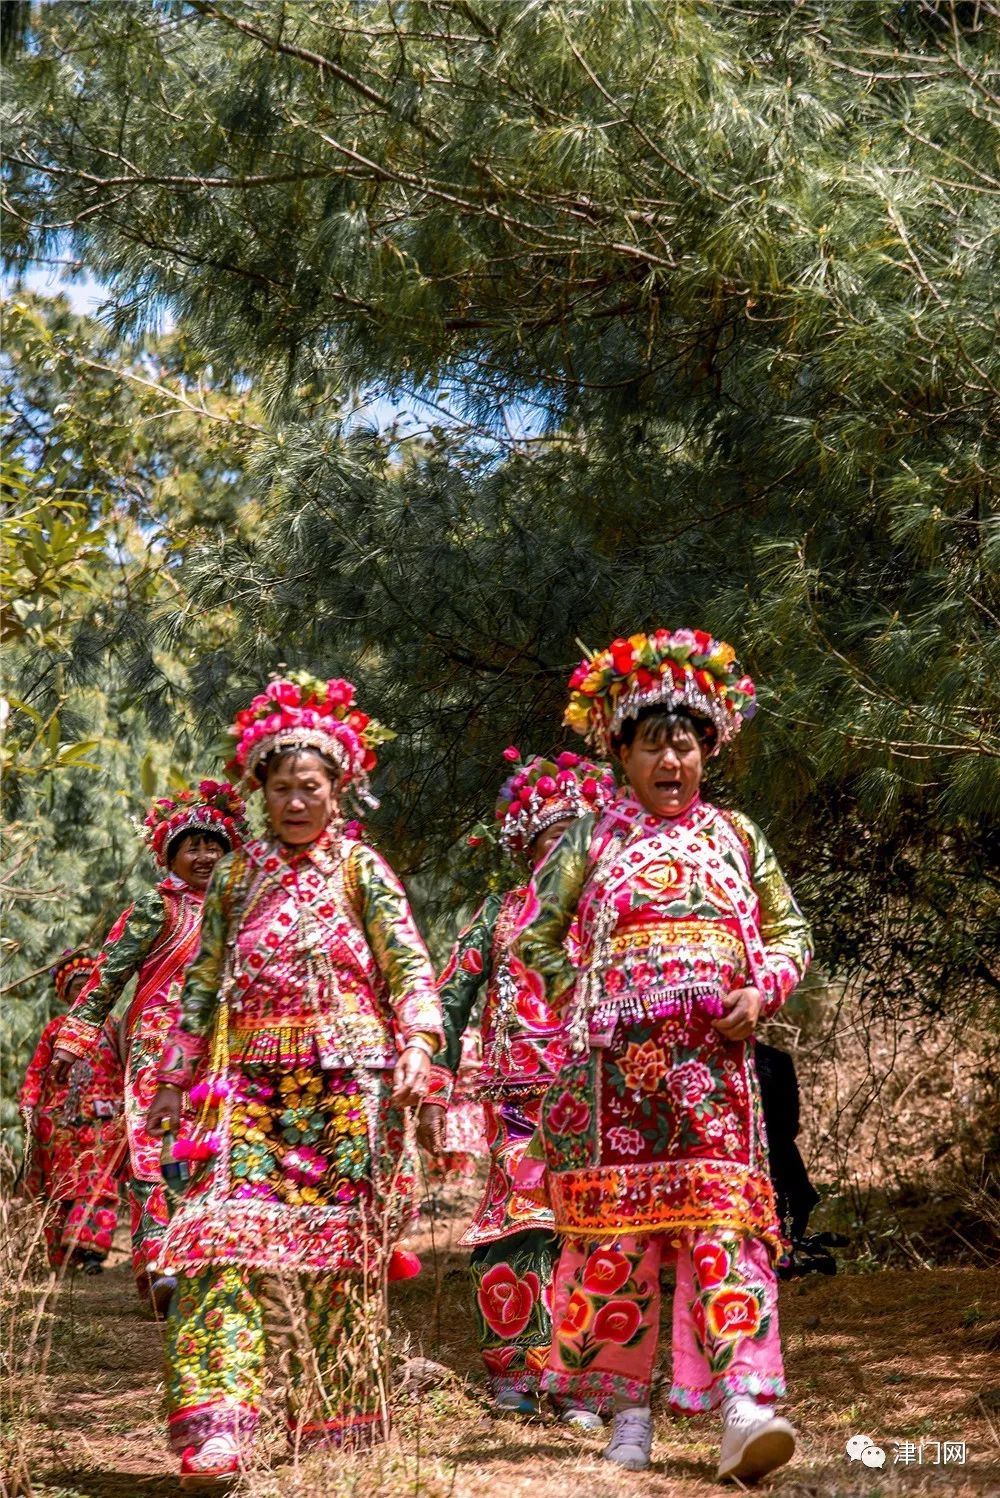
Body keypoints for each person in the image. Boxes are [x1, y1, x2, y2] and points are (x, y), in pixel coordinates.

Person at [513, 629, 813, 1481]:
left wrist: (762, 991)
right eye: (653, 743)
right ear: (621, 754)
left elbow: (790, 930)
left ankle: (742, 1406)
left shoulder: (736, 835)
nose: (671, 758)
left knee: (725, 1228)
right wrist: (582, 1002)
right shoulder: (592, 840)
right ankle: (626, 1417)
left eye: (685, 741)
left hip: (715, 1074)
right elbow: (538, 936)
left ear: (709, 748)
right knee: (618, 1240)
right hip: (616, 1081)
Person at [144, 672, 442, 1487]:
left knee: (339, 1261)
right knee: (215, 1248)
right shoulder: (237, 879)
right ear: (261, 793)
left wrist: (418, 1039)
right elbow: (202, 982)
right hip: (243, 1091)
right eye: (281, 789)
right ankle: (218, 1428)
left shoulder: (362, 871)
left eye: (310, 787)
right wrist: (174, 1075)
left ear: (337, 789)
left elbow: (409, 966)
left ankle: (338, 1423)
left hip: (346, 1090)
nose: (296, 802)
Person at [418, 750, 616, 1423]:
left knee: (599, 1230)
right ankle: (515, 1374)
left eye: (575, 837)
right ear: (526, 850)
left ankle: (584, 1383)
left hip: (601, 1094)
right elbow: (448, 996)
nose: (562, 851)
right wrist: (434, 1078)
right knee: (517, 1230)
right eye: (547, 840)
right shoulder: (499, 915)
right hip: (517, 1102)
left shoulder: (615, 914)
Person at [50, 782, 248, 1312]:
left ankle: (215, 1269)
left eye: (215, 847)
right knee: (156, 1159)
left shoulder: (245, 907)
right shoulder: (153, 908)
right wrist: (74, 1040)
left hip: (229, 1052)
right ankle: (163, 1269)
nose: (205, 856)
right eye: (193, 847)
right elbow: (109, 976)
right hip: (157, 1055)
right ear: (171, 854)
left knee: (222, 1156)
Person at [19, 951, 125, 1273]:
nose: (82, 993)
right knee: (61, 1187)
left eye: (87, 986)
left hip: (103, 1121)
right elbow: (37, 1072)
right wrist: (29, 1104)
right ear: (66, 993)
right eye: (75, 987)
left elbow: (126, 1067)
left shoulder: (115, 1027)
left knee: (99, 1183)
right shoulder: (54, 1030)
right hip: (59, 1123)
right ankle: (66, 1257)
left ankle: (91, 1252)